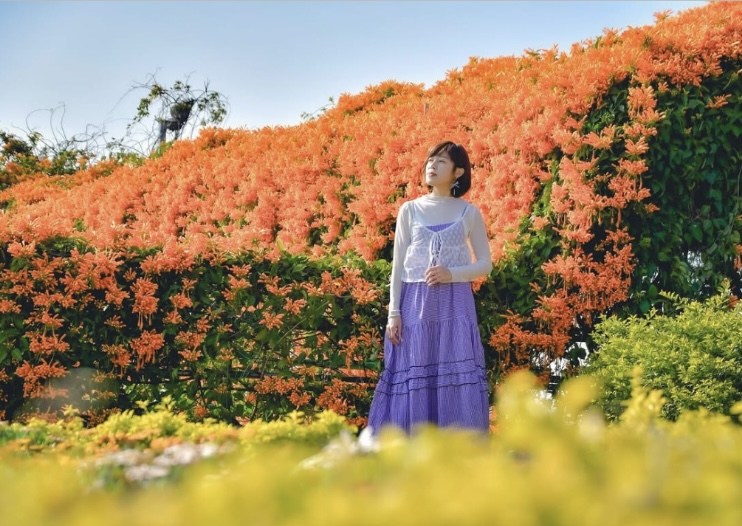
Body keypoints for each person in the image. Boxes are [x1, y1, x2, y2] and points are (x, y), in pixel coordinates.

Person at [364, 141, 493, 438]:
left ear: (458, 172)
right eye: (430, 160)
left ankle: (458, 455)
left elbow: (485, 264)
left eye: (441, 162)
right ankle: (406, 451)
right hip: (414, 304)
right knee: (411, 373)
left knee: (454, 376)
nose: (431, 166)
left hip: (455, 303)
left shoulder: (469, 213)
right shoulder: (409, 210)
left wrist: (452, 274)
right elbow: (398, 265)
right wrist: (393, 313)